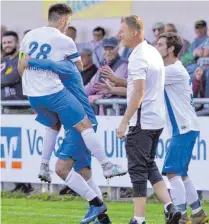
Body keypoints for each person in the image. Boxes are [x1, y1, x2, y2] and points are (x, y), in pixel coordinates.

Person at [18, 3, 127, 183]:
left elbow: (21, 66)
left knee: (53, 125)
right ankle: (107, 164)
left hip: (32, 93)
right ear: (63, 20)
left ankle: (44, 166)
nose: (67, 27)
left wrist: (32, 83)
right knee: (85, 125)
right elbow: (79, 67)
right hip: (52, 91)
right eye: (68, 23)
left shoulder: (30, 35)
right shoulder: (64, 40)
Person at [21, 58, 112, 224]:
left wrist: (28, 60)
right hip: (81, 125)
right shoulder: (63, 71)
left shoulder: (64, 66)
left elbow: (47, 64)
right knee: (85, 175)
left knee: (62, 169)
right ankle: (103, 219)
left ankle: (97, 204)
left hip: (80, 127)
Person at [117, 15, 181, 224]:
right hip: (156, 119)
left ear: (134, 32)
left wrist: (125, 121)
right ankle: (170, 206)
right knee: (148, 164)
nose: (119, 34)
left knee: (137, 168)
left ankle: (139, 218)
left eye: (122, 31)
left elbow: (138, 92)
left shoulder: (138, 56)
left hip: (141, 121)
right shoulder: (153, 51)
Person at [156, 32, 209, 224]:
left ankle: (179, 215)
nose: (157, 48)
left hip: (184, 128)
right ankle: (198, 213)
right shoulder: (174, 69)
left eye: (160, 45)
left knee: (172, 172)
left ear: (171, 49)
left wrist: (116, 85)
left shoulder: (172, 71)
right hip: (187, 127)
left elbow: (145, 84)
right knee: (181, 174)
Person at [1, 31, 29, 114]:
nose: (6, 45)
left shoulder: (23, 57)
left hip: (24, 109)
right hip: (5, 107)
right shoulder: (3, 60)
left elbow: (12, 77)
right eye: (4, 43)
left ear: (17, 43)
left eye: (9, 42)